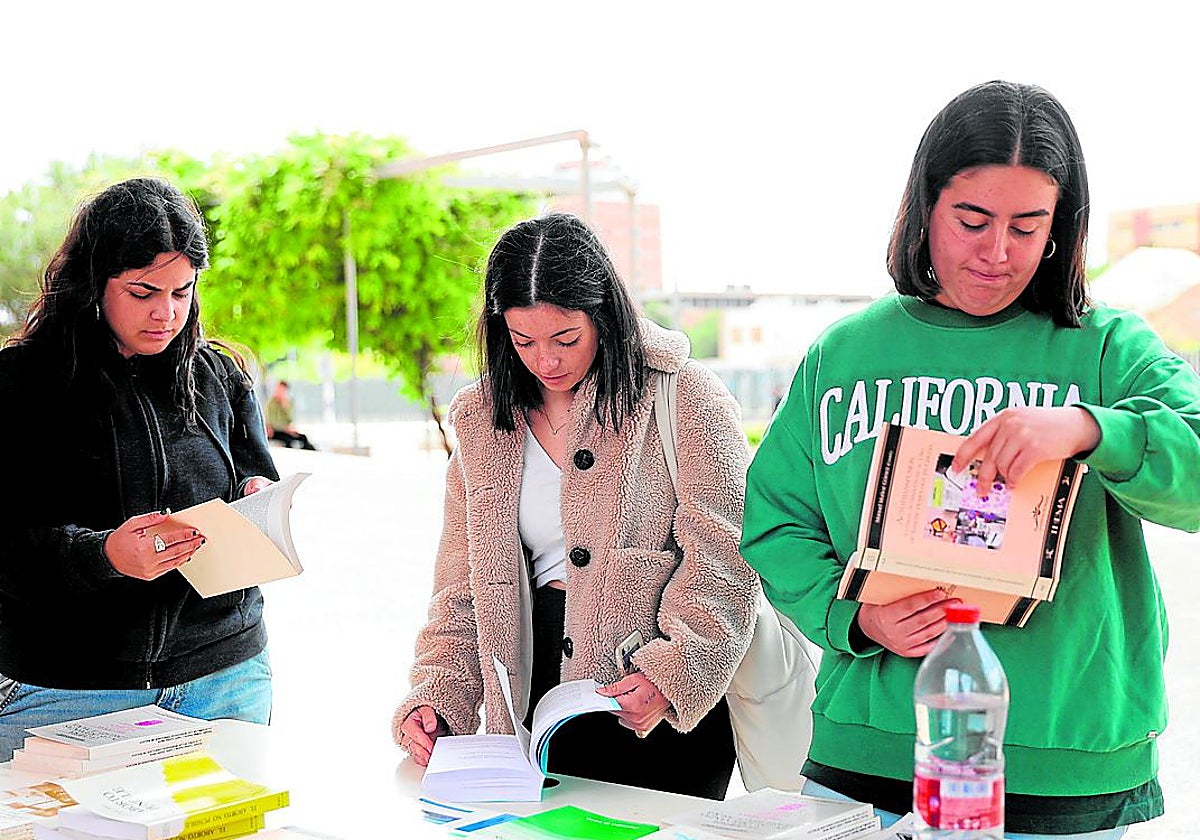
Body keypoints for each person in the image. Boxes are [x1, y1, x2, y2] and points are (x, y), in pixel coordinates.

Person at [741, 80, 1200, 838]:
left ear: (1062, 227)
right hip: (870, 758)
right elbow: (775, 522)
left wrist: (1092, 429)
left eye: (1027, 226)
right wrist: (854, 615)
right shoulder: (844, 355)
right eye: (972, 220)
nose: (996, 253)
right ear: (925, 208)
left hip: (1058, 761)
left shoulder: (1110, 347)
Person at [393, 213, 758, 799]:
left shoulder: (683, 393)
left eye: (566, 339)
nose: (546, 361)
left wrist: (674, 671)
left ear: (604, 316)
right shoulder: (484, 419)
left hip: (649, 702)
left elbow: (727, 554)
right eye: (523, 341)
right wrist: (438, 696)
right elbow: (462, 584)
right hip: (533, 698)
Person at [0, 177, 280, 760]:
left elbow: (259, 481)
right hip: (66, 691)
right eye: (143, 291)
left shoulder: (221, 379)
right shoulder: (18, 383)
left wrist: (261, 506)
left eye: (182, 292)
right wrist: (103, 555)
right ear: (92, 283)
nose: (166, 313)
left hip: (225, 679)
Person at [266, 379, 317, 450]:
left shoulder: (288, 402)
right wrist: (285, 428)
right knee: (289, 442)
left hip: (285, 430)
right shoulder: (271, 403)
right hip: (276, 431)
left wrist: (285, 407)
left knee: (303, 438)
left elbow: (289, 419)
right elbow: (273, 421)